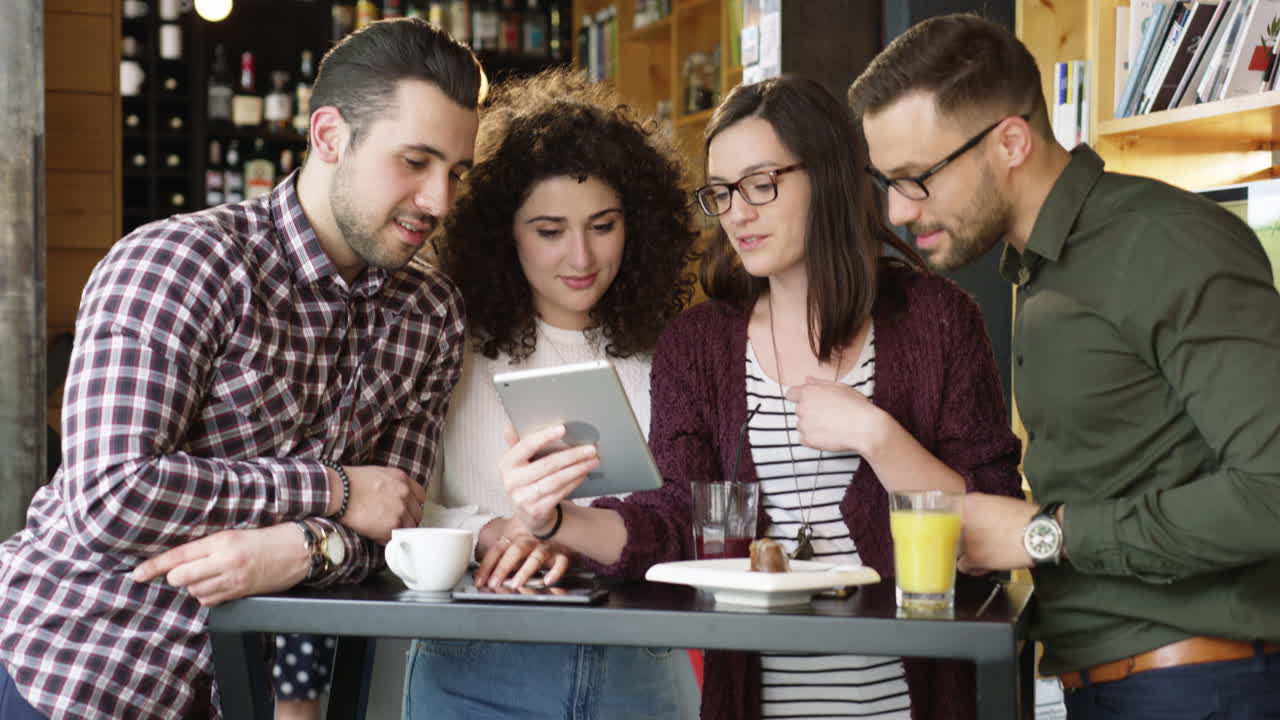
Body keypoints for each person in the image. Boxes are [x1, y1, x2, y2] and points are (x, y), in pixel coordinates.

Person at [0, 18, 484, 720]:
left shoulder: (431, 313)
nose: (439, 200)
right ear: (328, 136)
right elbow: (110, 497)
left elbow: (395, 530)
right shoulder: (180, 262)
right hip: (71, 671)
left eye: (456, 172)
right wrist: (334, 492)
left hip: (236, 694)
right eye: (415, 161)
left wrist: (304, 546)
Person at [500, 74, 1024, 720]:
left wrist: (878, 437)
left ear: (828, 174)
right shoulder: (698, 346)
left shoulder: (938, 321)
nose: (737, 213)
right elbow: (673, 522)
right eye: (720, 193)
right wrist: (557, 521)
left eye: (760, 184)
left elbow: (995, 531)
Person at [849, 13, 1280, 720]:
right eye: (885, 181)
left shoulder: (1163, 243)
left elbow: (1274, 492)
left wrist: (1041, 532)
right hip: (1121, 686)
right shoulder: (1042, 270)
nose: (897, 209)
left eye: (916, 178)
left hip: (1198, 687)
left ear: (1010, 142)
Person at [399, 67, 700, 720]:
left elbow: (695, 520)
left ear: (637, 224)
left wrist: (576, 533)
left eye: (604, 224)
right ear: (505, 232)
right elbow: (402, 512)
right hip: (478, 660)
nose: (581, 256)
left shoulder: (673, 355)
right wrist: (493, 534)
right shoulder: (452, 349)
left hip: (640, 663)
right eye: (549, 230)